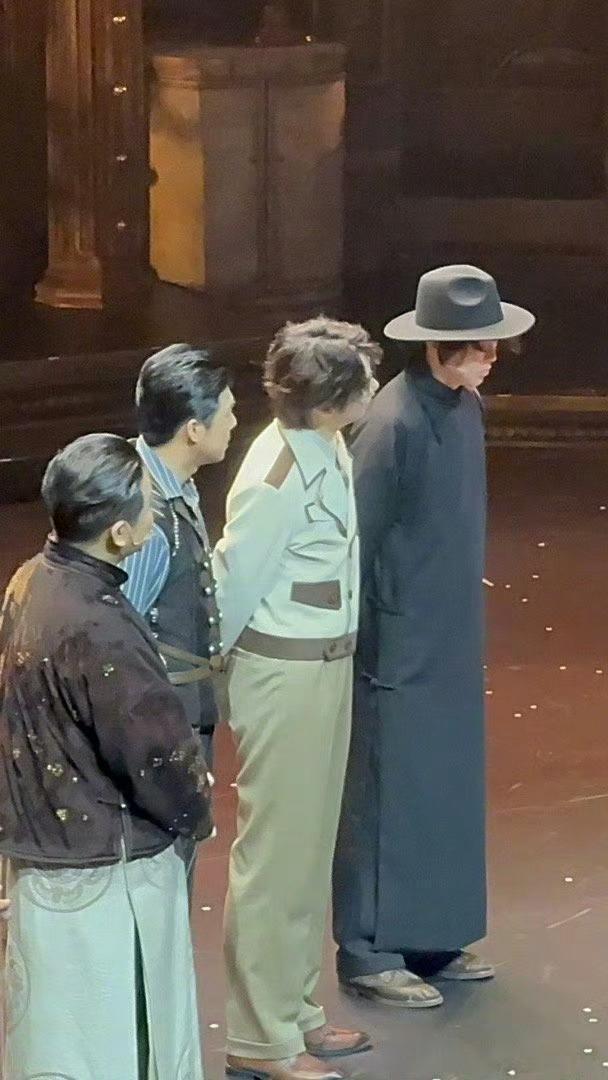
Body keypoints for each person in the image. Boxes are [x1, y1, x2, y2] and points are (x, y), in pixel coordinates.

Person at [332, 265, 533, 1007]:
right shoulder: (392, 424)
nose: (492, 357)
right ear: (441, 346)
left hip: (447, 630)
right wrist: (368, 635)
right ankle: (368, 948)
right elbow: (358, 537)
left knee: (442, 784)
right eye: (480, 346)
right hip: (398, 641)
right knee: (388, 789)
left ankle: (433, 935)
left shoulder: (463, 408)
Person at [0, 433, 214, 1079]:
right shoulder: (101, 625)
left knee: (58, 1043)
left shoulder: (30, 582)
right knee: (117, 1044)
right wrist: (194, 808)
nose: (155, 511)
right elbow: (154, 757)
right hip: (108, 873)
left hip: (42, 853)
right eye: (148, 501)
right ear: (121, 533)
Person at [217, 318, 380, 1080]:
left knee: (308, 851)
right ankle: (259, 1036)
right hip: (285, 672)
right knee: (276, 858)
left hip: (324, 666)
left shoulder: (326, 446)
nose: (373, 389)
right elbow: (233, 586)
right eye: (360, 381)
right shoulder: (276, 475)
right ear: (326, 399)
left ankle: (293, 1006)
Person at [121, 344, 238, 828]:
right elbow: (118, 636)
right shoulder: (147, 517)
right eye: (227, 413)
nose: (234, 423)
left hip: (179, 718)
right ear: (193, 429)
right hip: (160, 728)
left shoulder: (175, 488)